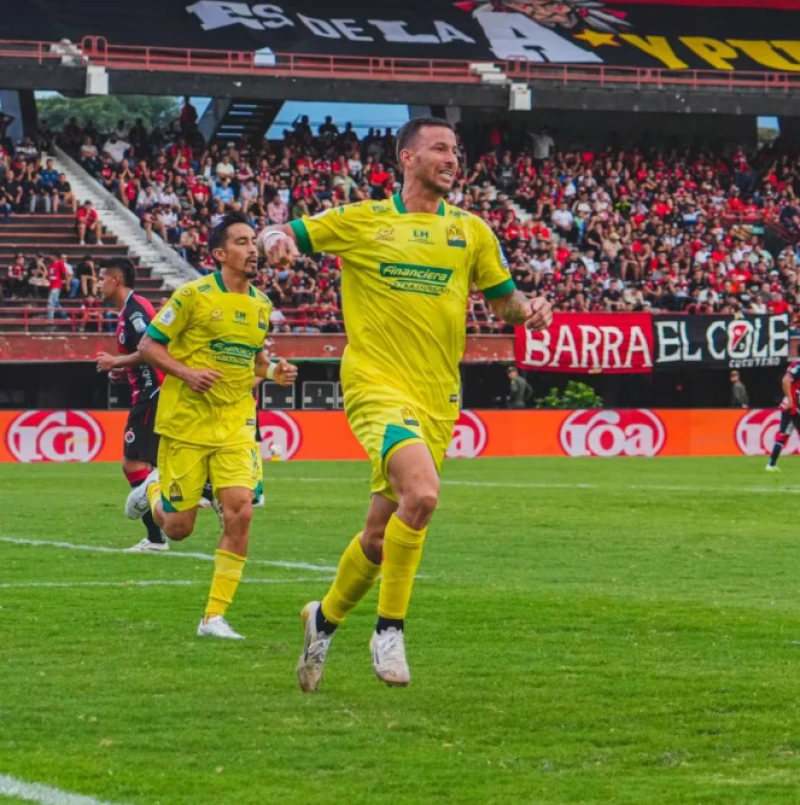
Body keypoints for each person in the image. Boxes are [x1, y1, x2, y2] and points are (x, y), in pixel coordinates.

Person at [259, 116, 553, 692]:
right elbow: (288, 233)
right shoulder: (364, 219)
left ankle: (323, 618)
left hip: (437, 394)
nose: (452, 158)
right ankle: (389, 629)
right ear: (407, 159)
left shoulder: (472, 232)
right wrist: (276, 243)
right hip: (374, 383)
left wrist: (530, 311)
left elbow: (505, 303)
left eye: (457, 150)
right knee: (422, 494)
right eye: (439, 148)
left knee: (378, 534)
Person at [124, 211, 298, 639]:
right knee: (179, 529)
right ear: (220, 254)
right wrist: (186, 374)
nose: (252, 248)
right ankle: (151, 491)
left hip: (236, 424)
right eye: (241, 241)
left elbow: (255, 362)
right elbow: (148, 345)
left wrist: (275, 372)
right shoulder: (192, 296)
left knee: (239, 510)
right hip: (186, 424)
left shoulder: (261, 304)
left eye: (254, 241)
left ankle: (214, 617)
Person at [95, 257, 167, 550]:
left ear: (115, 280)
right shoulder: (129, 311)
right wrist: (123, 371)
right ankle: (156, 534)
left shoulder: (136, 311)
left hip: (152, 393)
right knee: (144, 463)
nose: (97, 285)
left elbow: (151, 351)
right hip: (148, 392)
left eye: (100, 278)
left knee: (134, 463)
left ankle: (156, 537)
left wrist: (117, 360)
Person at [766, 354, 800, 472]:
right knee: (783, 435)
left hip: (790, 406)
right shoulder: (798, 366)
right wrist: (790, 399)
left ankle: (771, 464)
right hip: (793, 406)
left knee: (783, 435)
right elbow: (786, 380)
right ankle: (771, 464)